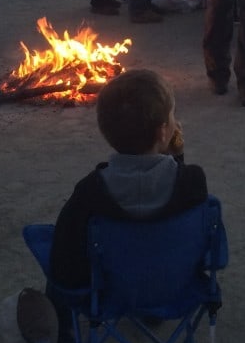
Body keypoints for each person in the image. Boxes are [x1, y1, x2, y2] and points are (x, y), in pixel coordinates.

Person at [49, 68, 206, 290]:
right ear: (163, 132)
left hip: (115, 289)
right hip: (174, 284)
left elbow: (65, 261)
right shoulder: (193, 180)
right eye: (172, 114)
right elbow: (182, 204)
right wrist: (177, 157)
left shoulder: (91, 190)